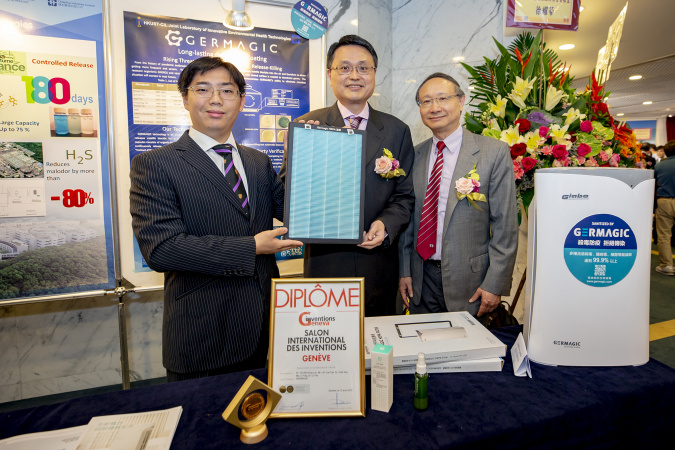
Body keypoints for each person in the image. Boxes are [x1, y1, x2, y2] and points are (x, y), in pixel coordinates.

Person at [130, 57, 302, 381]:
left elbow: (298, 212)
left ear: (242, 101)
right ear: (185, 98)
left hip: (262, 326)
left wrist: (311, 154)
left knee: (259, 419)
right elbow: (162, 249)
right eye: (203, 89)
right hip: (202, 334)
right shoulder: (155, 164)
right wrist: (251, 247)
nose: (216, 99)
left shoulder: (258, 162)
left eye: (227, 90)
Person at [280, 35, 414, 317]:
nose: (354, 75)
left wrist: (385, 224)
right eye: (344, 68)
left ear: (375, 74)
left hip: (379, 267)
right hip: (325, 267)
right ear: (330, 74)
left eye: (363, 68)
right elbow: (284, 199)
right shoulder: (306, 125)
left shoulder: (396, 130)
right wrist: (299, 157)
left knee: (379, 351)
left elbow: (404, 196)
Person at [398, 73, 518, 317]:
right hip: (422, 280)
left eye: (443, 98)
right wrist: (405, 271)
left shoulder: (492, 152)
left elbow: (505, 226)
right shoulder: (415, 155)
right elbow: (408, 221)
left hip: (471, 281)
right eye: (426, 101)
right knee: (424, 350)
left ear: (461, 101)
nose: (435, 107)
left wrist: (494, 283)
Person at [654, 140, 675, 276]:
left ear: (665, 152)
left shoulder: (660, 166)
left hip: (665, 201)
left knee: (664, 235)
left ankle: (667, 265)